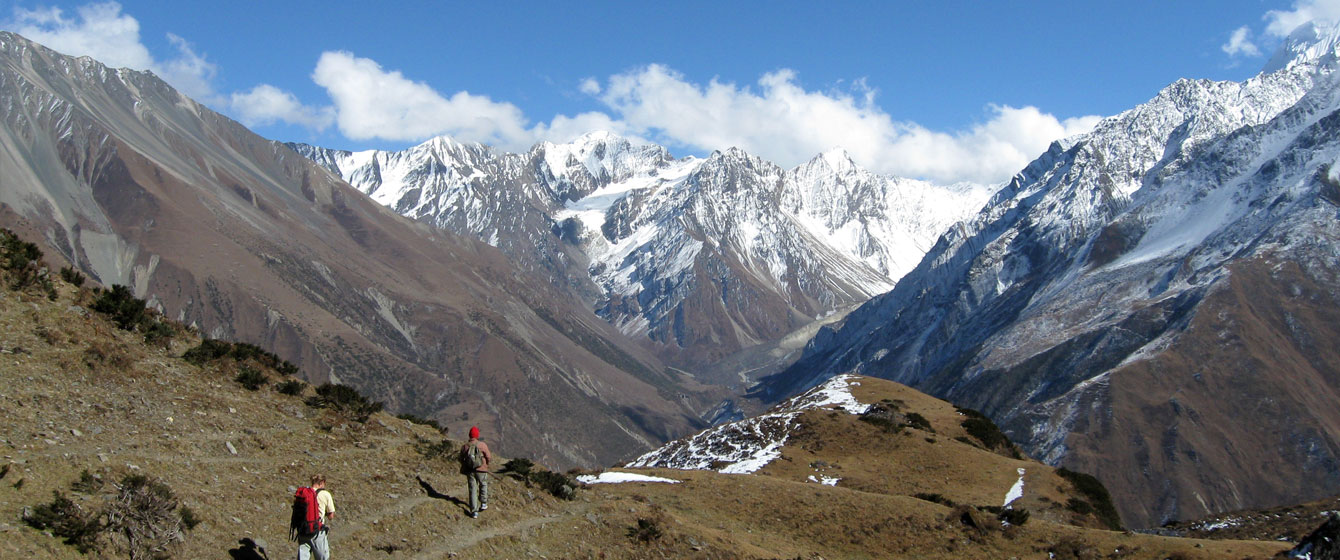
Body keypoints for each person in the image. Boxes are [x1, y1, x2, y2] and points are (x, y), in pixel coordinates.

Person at [298, 474, 335, 560]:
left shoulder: (304, 493)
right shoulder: (325, 494)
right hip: (317, 530)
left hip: (303, 530)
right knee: (323, 557)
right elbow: (331, 516)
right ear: (322, 483)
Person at [460, 425, 493, 518]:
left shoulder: (465, 446)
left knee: (472, 489)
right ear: (477, 435)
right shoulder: (482, 445)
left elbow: (461, 458)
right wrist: (486, 464)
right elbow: (488, 456)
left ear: (469, 435)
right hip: (481, 470)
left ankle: (474, 511)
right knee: (483, 484)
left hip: (470, 471)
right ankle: (483, 503)